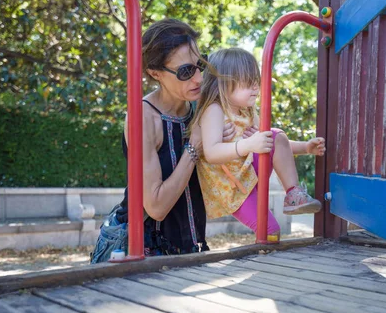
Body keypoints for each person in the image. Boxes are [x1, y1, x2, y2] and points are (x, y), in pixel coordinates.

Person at [91, 19, 235, 262]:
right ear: (155, 73)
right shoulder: (143, 117)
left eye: (200, 64)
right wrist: (194, 149)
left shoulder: (200, 108)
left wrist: (227, 145)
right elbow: (156, 207)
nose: (199, 78)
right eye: (186, 71)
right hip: (144, 249)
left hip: (192, 244)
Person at [191, 47, 326, 241]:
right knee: (270, 231)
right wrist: (249, 145)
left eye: (256, 81)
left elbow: (275, 143)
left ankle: (293, 194)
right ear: (223, 83)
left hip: (248, 175)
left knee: (276, 135)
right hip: (232, 188)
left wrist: (305, 148)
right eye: (248, 82)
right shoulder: (214, 110)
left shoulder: (248, 111)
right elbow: (211, 153)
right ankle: (263, 260)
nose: (255, 87)